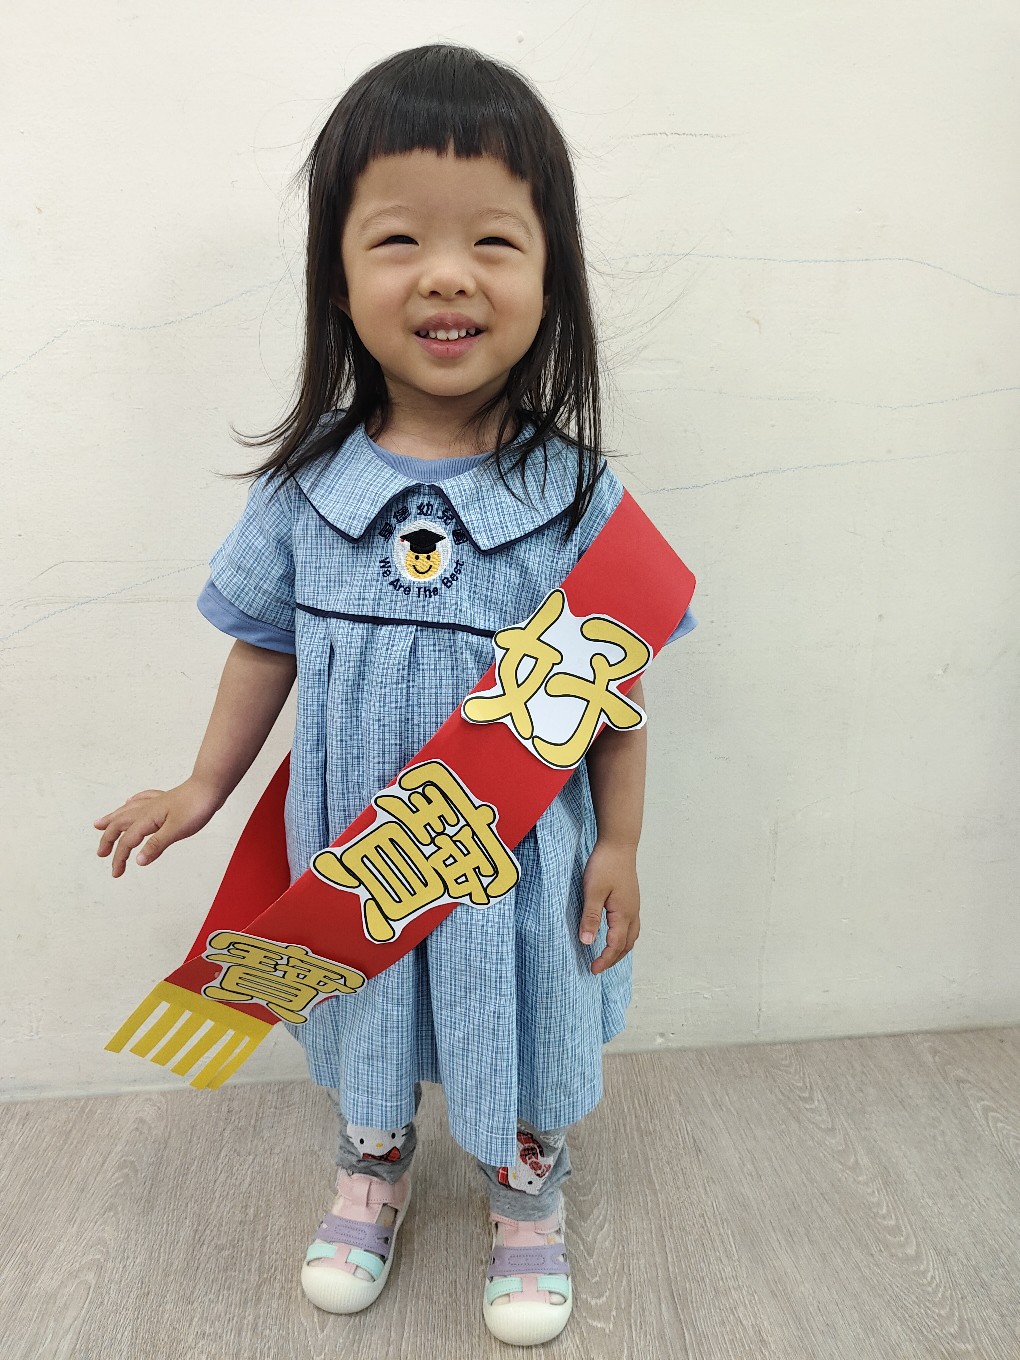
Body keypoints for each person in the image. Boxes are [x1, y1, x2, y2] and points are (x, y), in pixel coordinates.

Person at [94, 43, 695, 1348]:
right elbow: (264, 647)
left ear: (552, 274)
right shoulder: (306, 490)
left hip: (517, 862)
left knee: (519, 1012)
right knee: (364, 1008)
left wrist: (625, 841)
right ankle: (372, 1165)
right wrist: (202, 786)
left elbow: (615, 689)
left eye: (494, 239)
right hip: (363, 850)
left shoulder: (576, 498)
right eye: (399, 238)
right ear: (337, 274)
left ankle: (525, 1191)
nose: (447, 274)